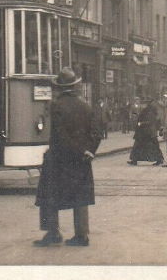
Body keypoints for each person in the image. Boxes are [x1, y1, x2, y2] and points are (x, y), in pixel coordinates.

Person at [34, 69, 101, 247]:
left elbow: (60, 135)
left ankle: (53, 232)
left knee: (49, 196)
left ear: (59, 87)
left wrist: (74, 151)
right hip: (81, 161)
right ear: (75, 86)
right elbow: (96, 133)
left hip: (59, 158)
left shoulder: (56, 106)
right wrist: (89, 151)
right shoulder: (85, 106)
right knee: (81, 197)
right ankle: (82, 235)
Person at [128, 98, 164, 166]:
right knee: (150, 146)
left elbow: (150, 121)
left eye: (144, 104)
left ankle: (134, 160)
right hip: (148, 132)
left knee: (139, 146)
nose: (143, 105)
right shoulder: (151, 110)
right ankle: (134, 160)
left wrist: (141, 123)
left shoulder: (149, 111)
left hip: (146, 132)